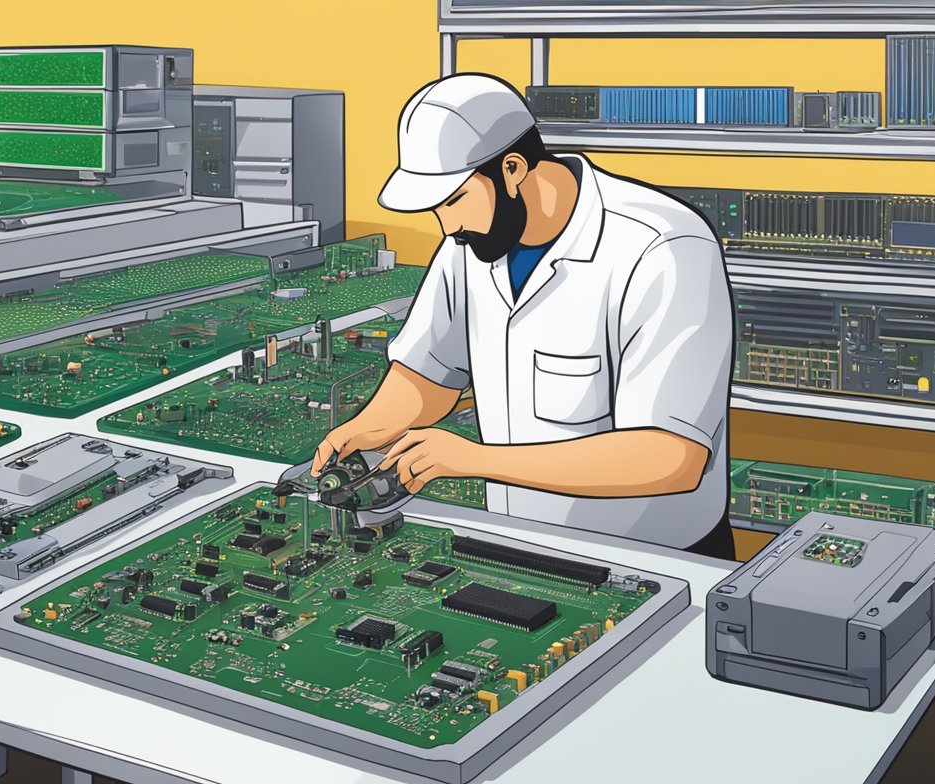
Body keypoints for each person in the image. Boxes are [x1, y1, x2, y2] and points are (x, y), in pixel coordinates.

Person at [310, 73, 736, 558]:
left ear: (513, 168)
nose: (449, 226)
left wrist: (476, 459)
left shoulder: (663, 248)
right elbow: (428, 375)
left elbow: (671, 456)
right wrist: (365, 429)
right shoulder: (469, 245)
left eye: (455, 200)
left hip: (654, 558)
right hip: (515, 543)